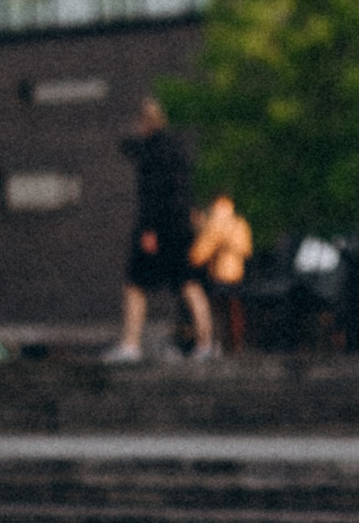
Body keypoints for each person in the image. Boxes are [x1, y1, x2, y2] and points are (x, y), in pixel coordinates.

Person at [106, 94, 206, 360]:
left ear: (146, 121)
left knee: (135, 285)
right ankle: (206, 343)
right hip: (181, 226)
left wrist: (148, 229)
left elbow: (152, 194)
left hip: (159, 228)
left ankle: (130, 344)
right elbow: (185, 189)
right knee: (189, 282)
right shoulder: (178, 148)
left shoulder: (152, 152)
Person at [190, 187, 252, 352]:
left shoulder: (237, 224)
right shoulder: (212, 226)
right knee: (218, 310)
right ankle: (218, 341)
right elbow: (199, 253)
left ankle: (234, 343)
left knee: (232, 310)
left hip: (233, 274)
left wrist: (226, 240)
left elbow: (245, 248)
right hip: (216, 275)